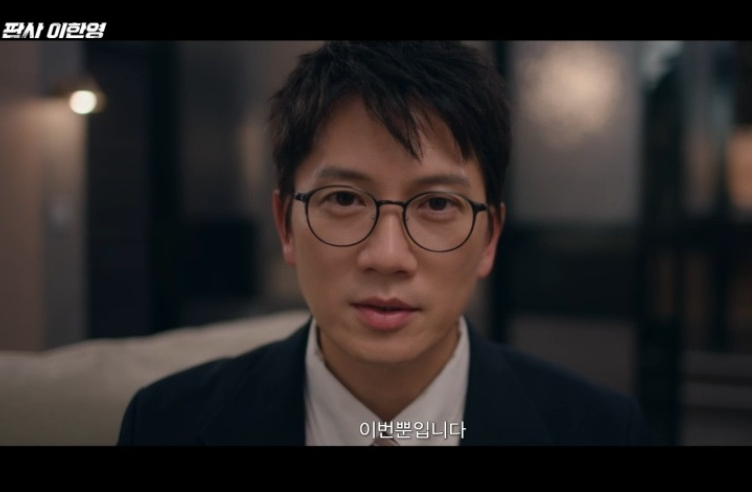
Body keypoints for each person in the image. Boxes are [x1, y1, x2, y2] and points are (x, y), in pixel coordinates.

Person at [117, 41, 648, 446]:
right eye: (345, 199)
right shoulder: (165, 424)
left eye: (437, 204)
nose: (388, 257)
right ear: (285, 226)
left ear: (489, 237)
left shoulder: (601, 431)